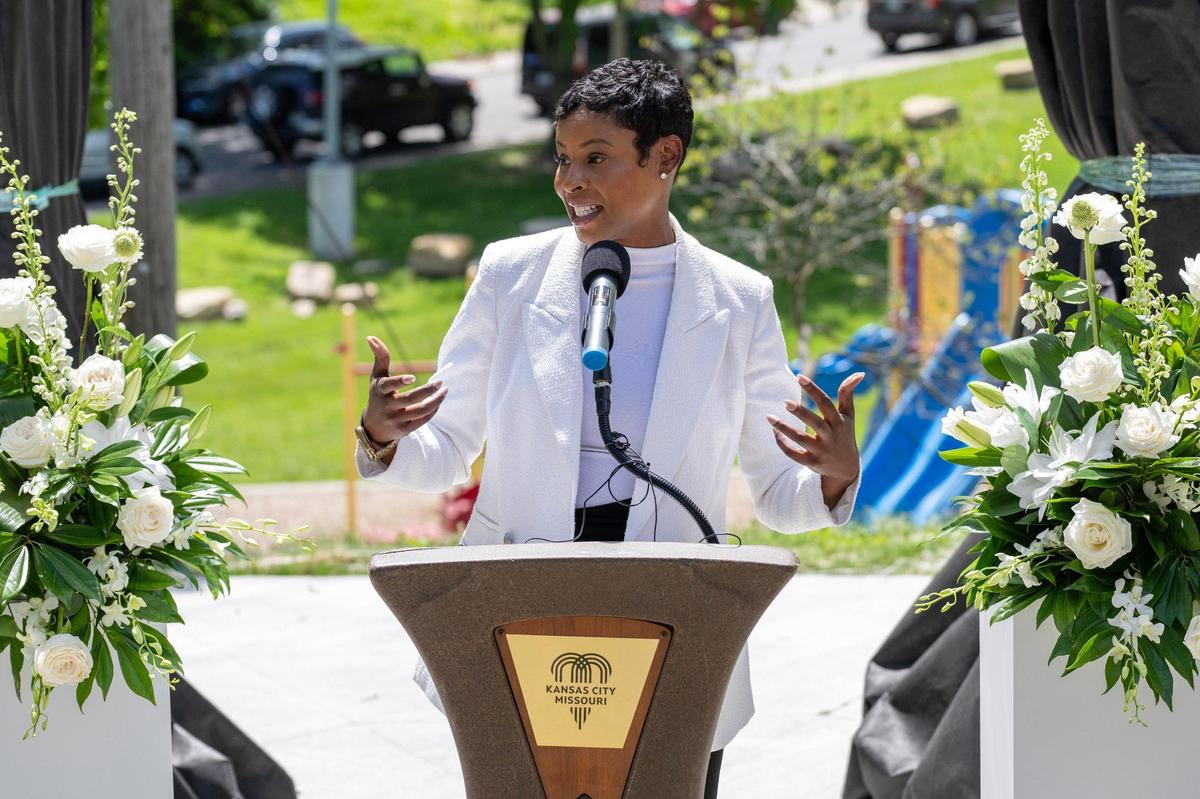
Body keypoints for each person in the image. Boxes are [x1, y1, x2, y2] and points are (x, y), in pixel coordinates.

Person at [355, 58, 863, 798]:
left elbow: (781, 493)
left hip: (676, 626)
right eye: (563, 160)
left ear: (666, 157)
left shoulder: (740, 300)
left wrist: (833, 474)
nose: (570, 182)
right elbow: (447, 450)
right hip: (517, 610)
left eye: (596, 158)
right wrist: (385, 438)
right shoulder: (509, 276)